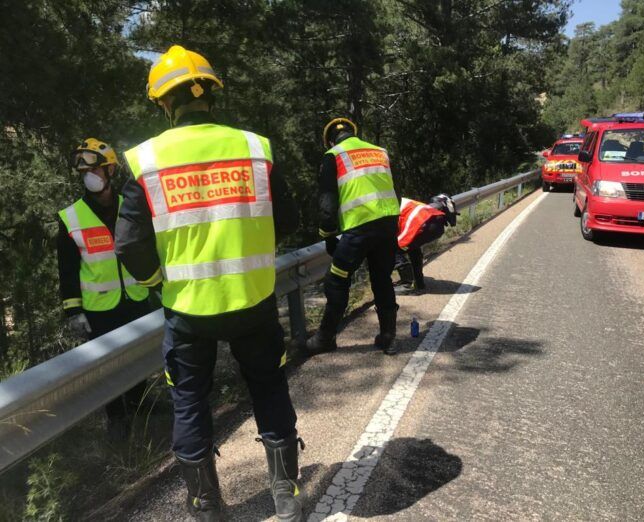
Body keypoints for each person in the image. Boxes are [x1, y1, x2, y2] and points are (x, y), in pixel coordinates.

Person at [114, 45, 302, 521]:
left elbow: (129, 245)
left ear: (163, 102)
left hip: (188, 311)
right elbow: (289, 218)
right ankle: (287, 495)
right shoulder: (255, 148)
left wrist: (160, 282)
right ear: (211, 94)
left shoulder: (144, 160)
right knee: (269, 388)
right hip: (253, 301)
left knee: (190, 402)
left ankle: (206, 507)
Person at [57, 138, 152, 440]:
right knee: (108, 367)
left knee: (137, 357)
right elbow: (68, 269)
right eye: (85, 172)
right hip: (99, 307)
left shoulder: (132, 205)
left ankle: (141, 404)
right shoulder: (71, 217)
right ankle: (117, 418)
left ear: (110, 170)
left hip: (137, 296)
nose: (90, 177)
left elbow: (149, 246)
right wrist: (73, 311)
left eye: (96, 170)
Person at [305, 117, 401, 356]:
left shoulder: (333, 155)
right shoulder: (380, 152)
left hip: (359, 229)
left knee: (337, 280)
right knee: (382, 278)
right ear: (353, 133)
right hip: (388, 224)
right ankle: (388, 336)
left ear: (329, 140)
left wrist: (328, 236)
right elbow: (394, 189)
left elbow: (327, 204)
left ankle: (325, 338)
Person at [394, 194, 458, 294]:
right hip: (433, 222)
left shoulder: (381, 205)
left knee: (393, 248)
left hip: (422, 223)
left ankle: (407, 284)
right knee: (413, 247)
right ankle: (419, 282)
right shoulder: (393, 198)